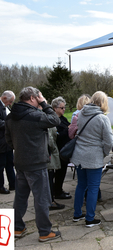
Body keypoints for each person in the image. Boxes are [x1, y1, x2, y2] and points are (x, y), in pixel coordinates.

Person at [5, 86, 61, 242]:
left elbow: (9, 140)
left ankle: (16, 228)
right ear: (32, 98)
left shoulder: (10, 117)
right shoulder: (35, 116)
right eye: (39, 97)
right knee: (42, 199)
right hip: (37, 163)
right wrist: (44, 103)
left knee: (20, 197)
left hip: (20, 163)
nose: (40, 99)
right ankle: (45, 232)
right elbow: (55, 120)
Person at [71, 91, 113, 228]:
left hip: (79, 155)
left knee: (81, 185)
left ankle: (77, 214)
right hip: (94, 157)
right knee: (93, 188)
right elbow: (109, 141)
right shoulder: (102, 118)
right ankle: (90, 218)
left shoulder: (80, 113)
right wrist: (105, 153)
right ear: (103, 102)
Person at [51, 97, 72, 200]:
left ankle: (58, 189)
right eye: (62, 108)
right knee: (59, 171)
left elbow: (69, 126)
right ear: (55, 108)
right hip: (58, 149)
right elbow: (56, 136)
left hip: (64, 149)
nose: (64, 109)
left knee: (62, 171)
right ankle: (57, 192)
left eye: (64, 107)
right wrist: (68, 130)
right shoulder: (53, 119)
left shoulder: (62, 118)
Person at [0, 90, 16, 194]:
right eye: (10, 101)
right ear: (4, 98)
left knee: (10, 163)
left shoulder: (6, 107)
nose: (10, 103)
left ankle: (13, 184)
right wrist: (9, 124)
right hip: (1, 141)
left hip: (8, 142)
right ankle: (0, 186)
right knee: (1, 165)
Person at [47, 126, 65, 210]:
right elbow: (50, 140)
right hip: (47, 154)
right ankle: (50, 201)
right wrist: (54, 149)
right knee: (49, 177)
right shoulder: (46, 120)